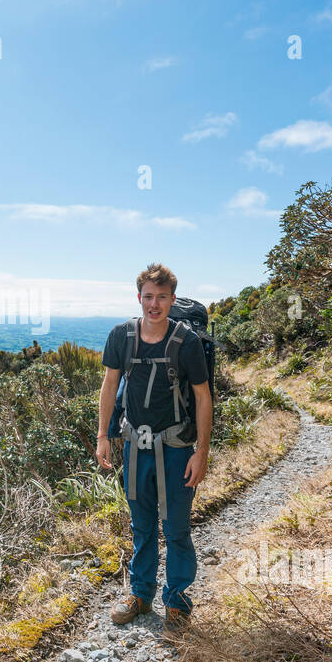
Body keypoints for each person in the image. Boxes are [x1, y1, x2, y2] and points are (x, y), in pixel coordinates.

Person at [95, 263, 212, 638]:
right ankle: (140, 595)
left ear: (173, 299)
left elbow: (202, 396)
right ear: (139, 297)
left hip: (177, 447)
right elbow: (109, 385)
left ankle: (176, 601)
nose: (154, 304)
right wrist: (103, 435)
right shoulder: (122, 336)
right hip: (134, 446)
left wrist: (202, 452)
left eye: (162, 297)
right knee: (141, 524)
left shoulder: (186, 342)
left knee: (175, 528)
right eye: (148, 296)